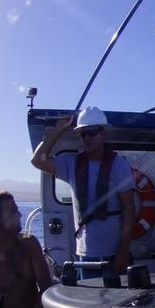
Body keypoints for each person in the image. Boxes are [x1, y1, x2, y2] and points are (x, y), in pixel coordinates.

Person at [30, 106, 135, 278]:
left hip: (113, 253)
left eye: (91, 132)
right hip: (84, 254)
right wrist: (58, 130)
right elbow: (37, 160)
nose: (86, 138)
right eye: (82, 134)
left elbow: (129, 208)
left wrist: (123, 250)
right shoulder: (71, 164)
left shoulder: (119, 165)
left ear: (102, 134)